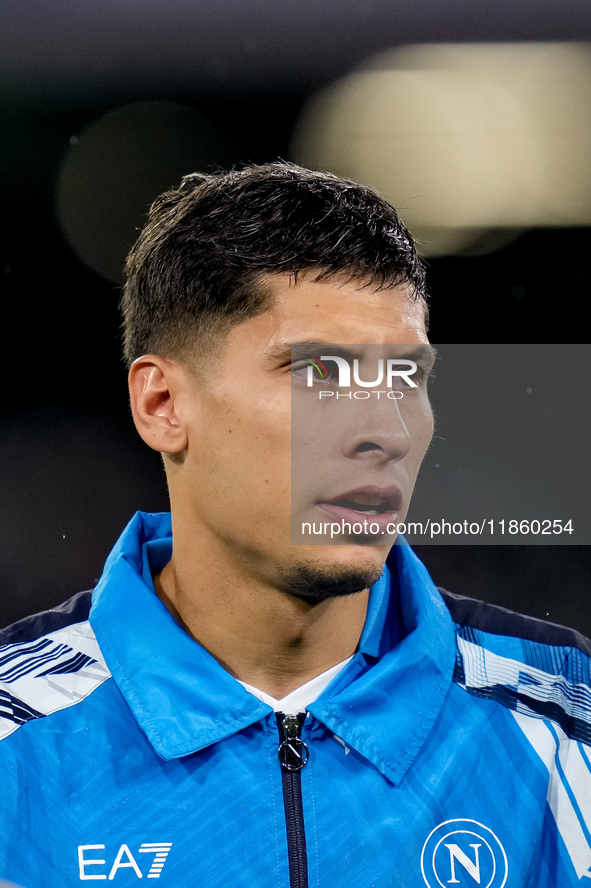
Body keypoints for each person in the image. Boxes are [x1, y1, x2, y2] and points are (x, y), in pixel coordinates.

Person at [0, 162, 589, 888]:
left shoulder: (571, 726)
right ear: (162, 406)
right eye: (319, 374)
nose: (385, 430)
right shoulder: (16, 744)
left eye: (406, 378)